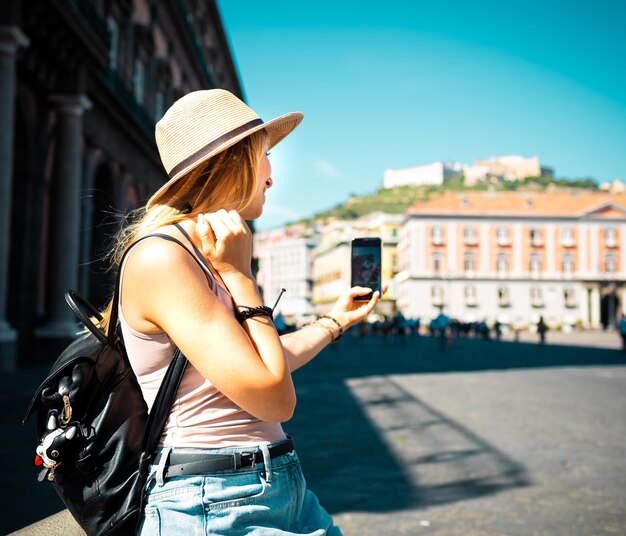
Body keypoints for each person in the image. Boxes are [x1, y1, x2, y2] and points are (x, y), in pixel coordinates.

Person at [98, 90, 380, 535]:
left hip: (278, 485)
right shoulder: (163, 257)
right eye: (264, 155)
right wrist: (242, 278)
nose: (271, 176)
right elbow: (275, 396)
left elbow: (262, 365)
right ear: (233, 163)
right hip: (212, 500)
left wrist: (336, 321)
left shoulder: (215, 249)